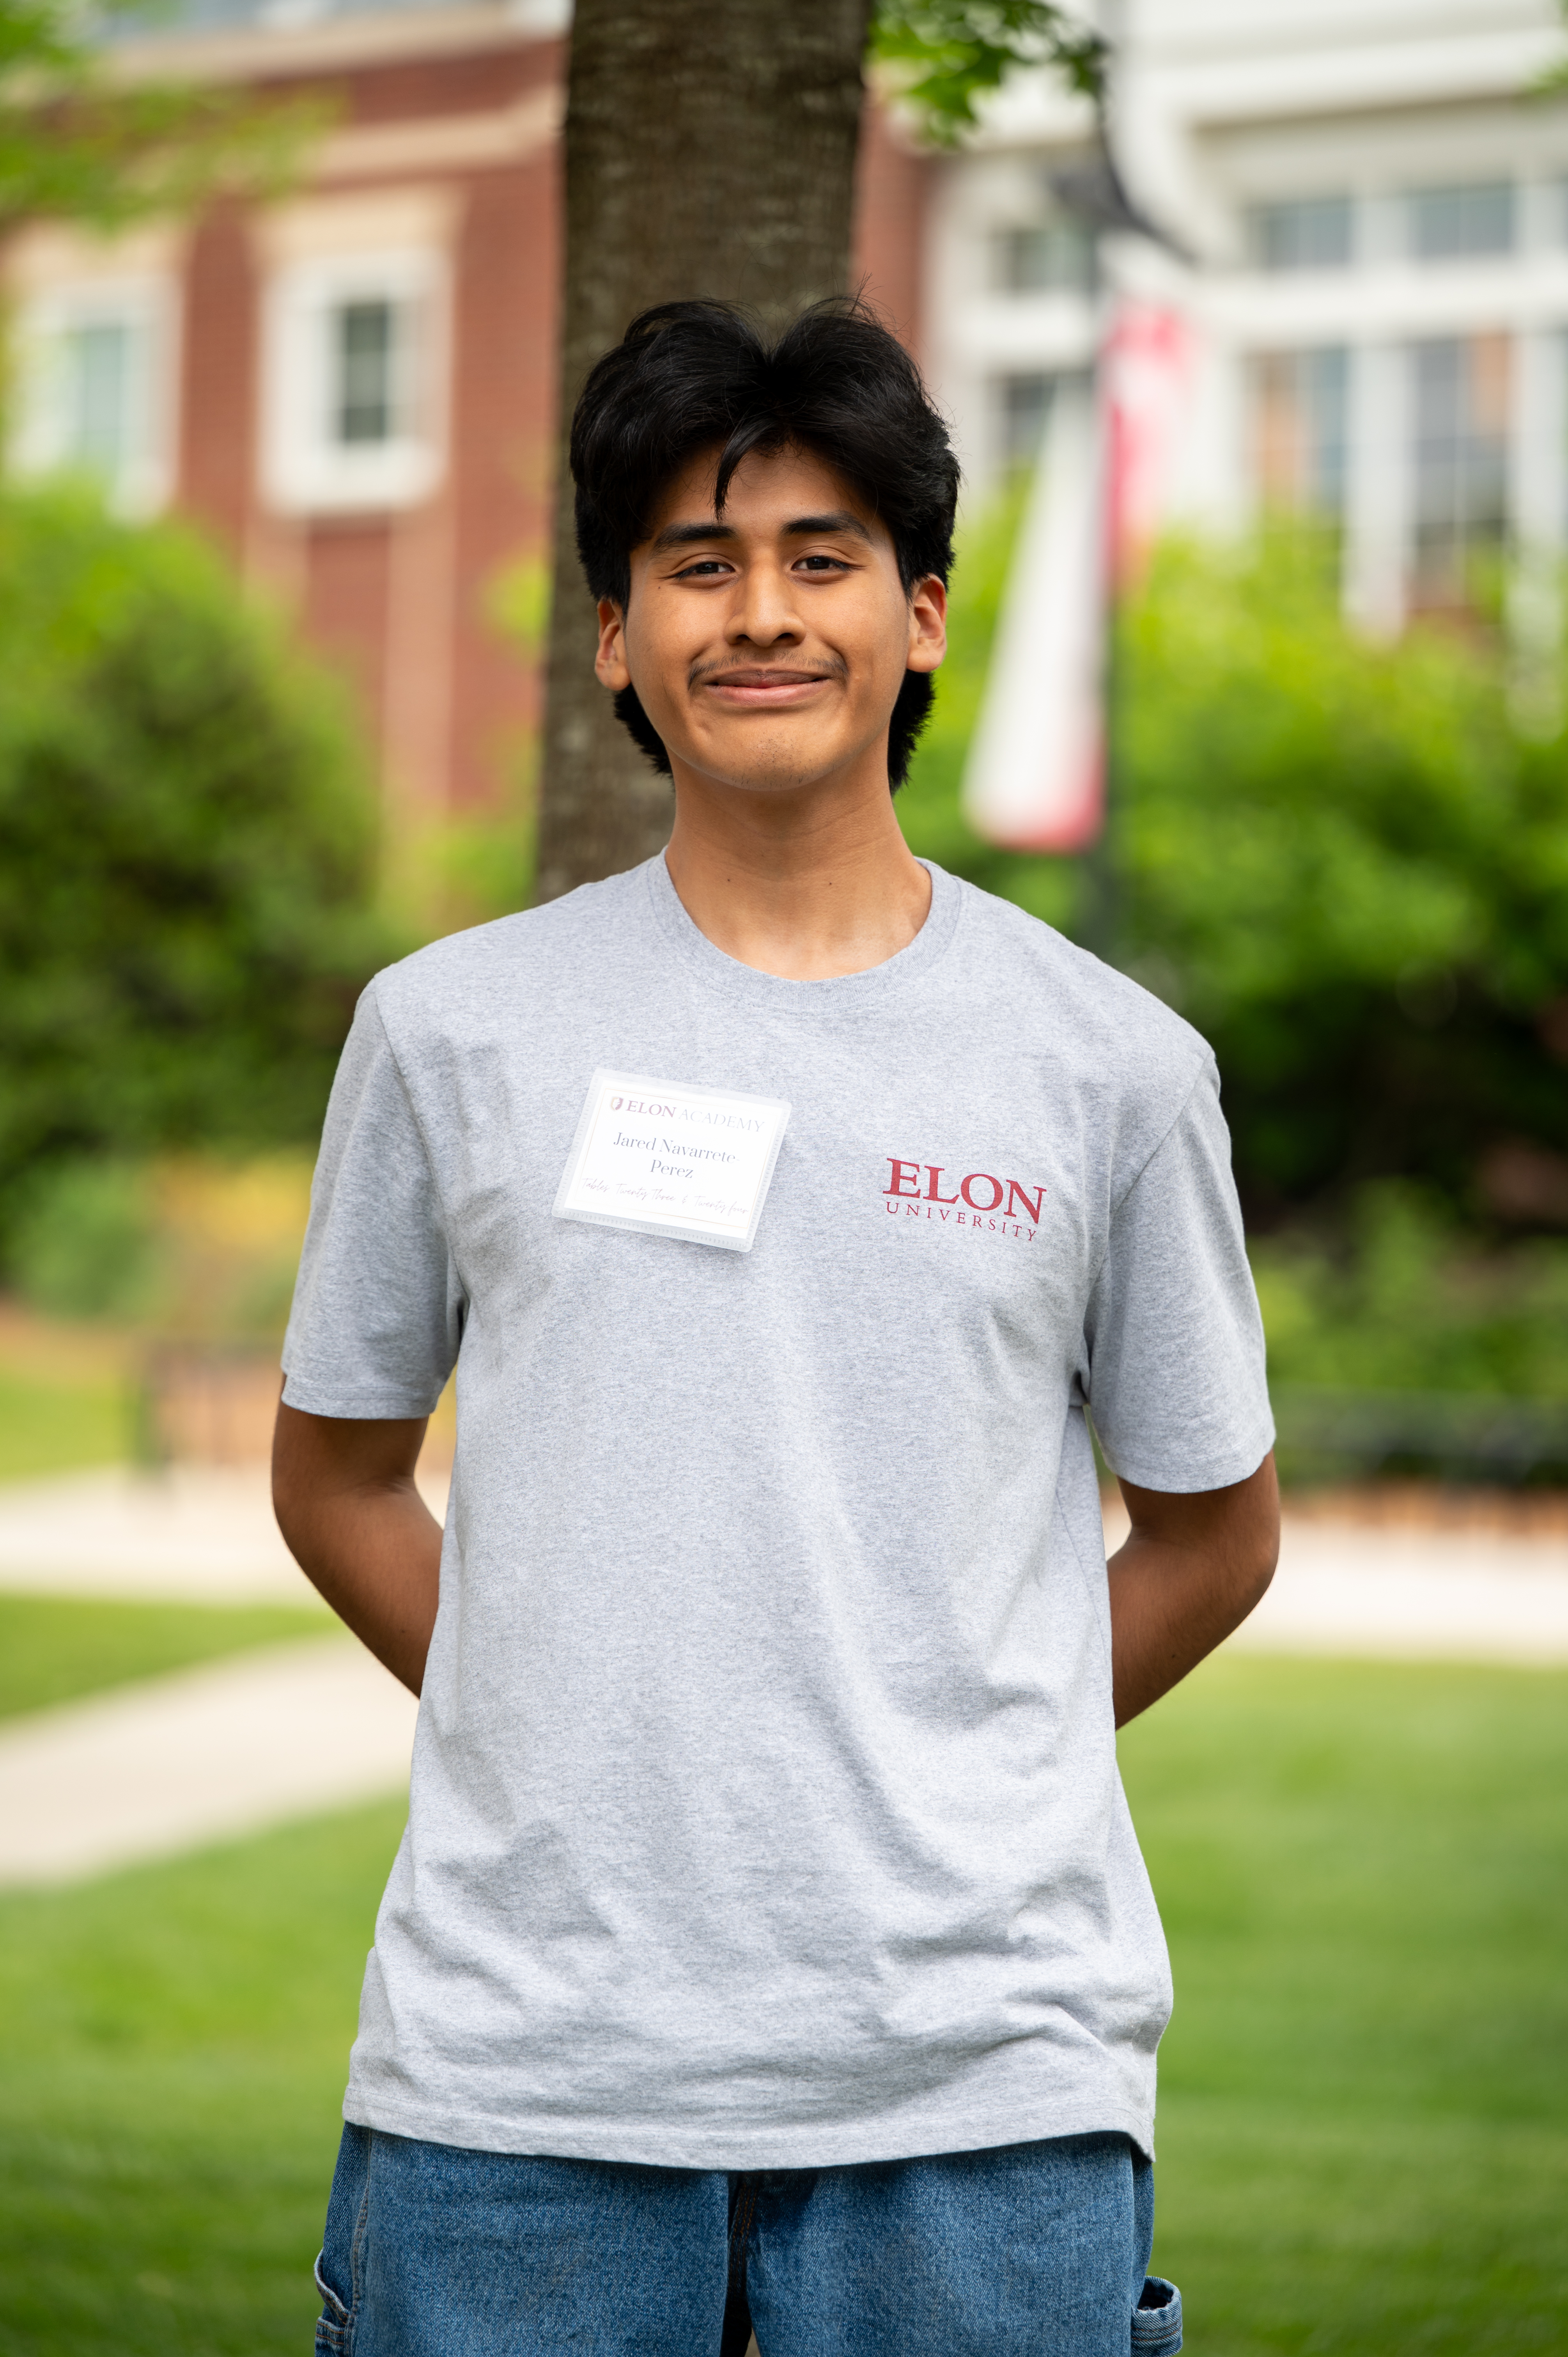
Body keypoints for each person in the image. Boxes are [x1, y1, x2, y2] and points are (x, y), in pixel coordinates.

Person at [273, 296, 1279, 2357]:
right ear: (613, 640)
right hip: (520, 2068)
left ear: (918, 619)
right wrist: (554, 1725)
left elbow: (1212, 1532)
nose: (759, 614)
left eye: (820, 559)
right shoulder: (452, 1031)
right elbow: (337, 1475)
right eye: (694, 564)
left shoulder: (1107, 1069)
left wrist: (962, 1751)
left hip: (980, 2075)